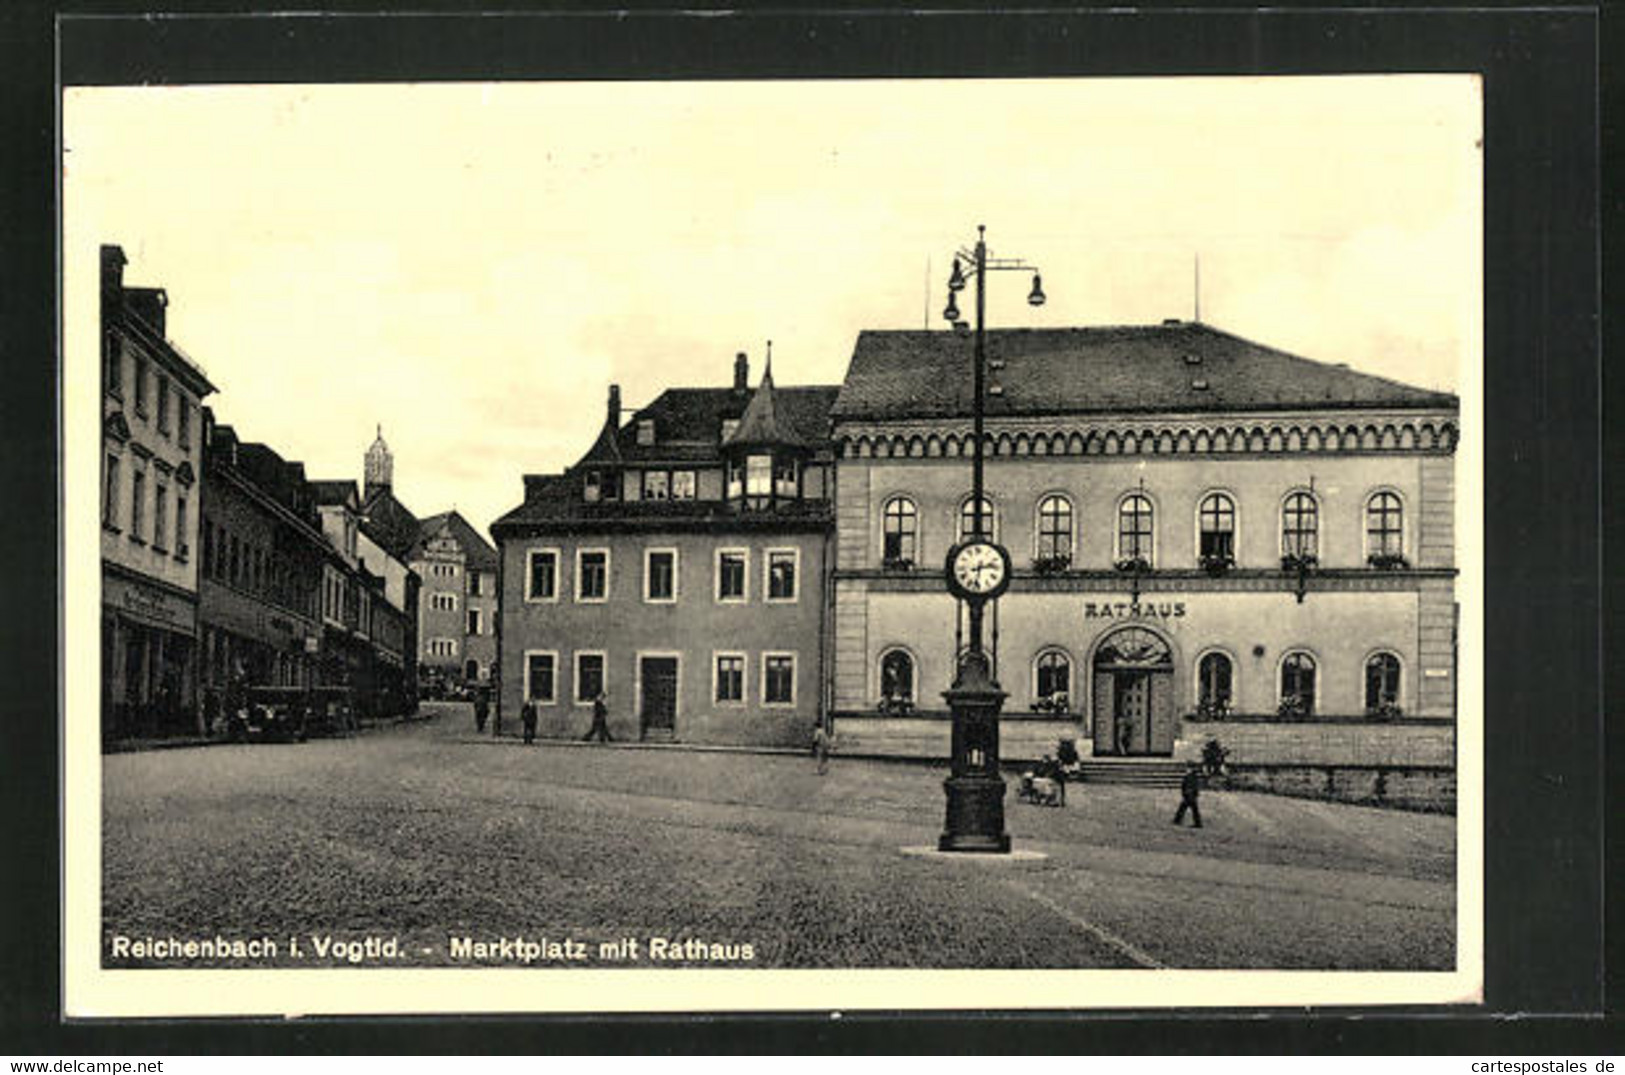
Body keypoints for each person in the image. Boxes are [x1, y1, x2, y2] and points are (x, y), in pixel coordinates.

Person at [1173, 761, 1204, 828]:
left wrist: (1187, 793)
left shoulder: (1190, 776)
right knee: (1189, 808)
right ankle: (1178, 820)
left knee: (1186, 808)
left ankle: (1178, 820)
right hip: (1191, 795)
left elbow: (1188, 785)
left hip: (1189, 795)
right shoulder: (1192, 776)